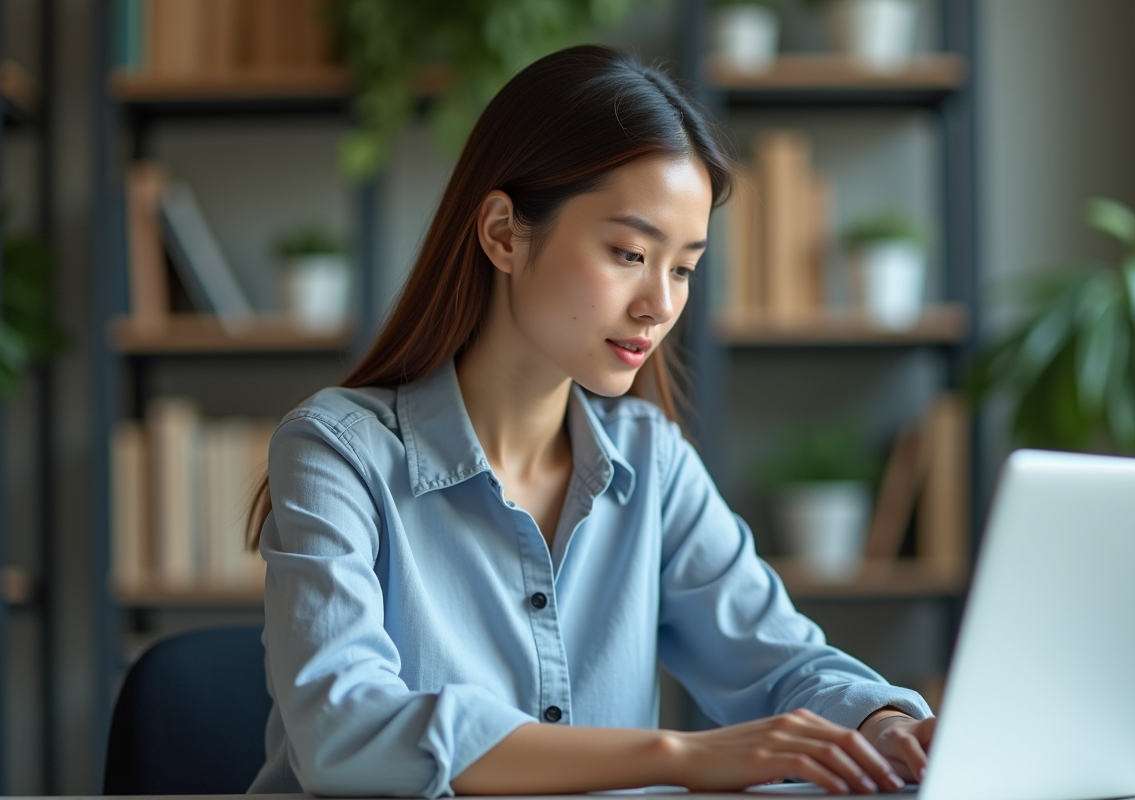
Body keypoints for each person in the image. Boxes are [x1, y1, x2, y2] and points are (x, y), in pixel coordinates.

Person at [246, 44, 936, 799]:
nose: (660, 305)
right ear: (503, 233)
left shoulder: (653, 462)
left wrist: (884, 727)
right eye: (630, 253)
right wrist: (676, 756)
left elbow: (781, 661)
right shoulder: (337, 452)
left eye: (683, 267)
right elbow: (346, 734)